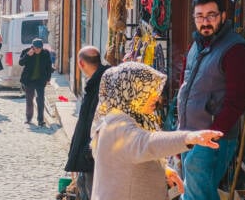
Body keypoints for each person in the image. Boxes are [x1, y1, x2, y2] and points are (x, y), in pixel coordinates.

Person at [91, 61, 222, 200]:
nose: (156, 96)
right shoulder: (118, 126)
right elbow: (146, 143)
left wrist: (162, 169)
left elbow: (128, 160)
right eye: (148, 89)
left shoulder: (120, 120)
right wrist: (188, 138)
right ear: (130, 91)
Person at [177, 0, 245, 200]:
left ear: (223, 16)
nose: (205, 22)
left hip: (212, 139)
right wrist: (179, 131)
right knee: (194, 193)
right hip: (188, 134)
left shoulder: (235, 50)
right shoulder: (196, 45)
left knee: (196, 196)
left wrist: (212, 135)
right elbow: (185, 87)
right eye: (200, 16)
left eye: (211, 15)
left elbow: (236, 103)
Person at [66, 46, 110, 200]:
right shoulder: (100, 81)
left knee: (91, 193)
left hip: (92, 155)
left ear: (81, 63)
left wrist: (86, 151)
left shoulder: (101, 84)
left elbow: (94, 123)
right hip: (90, 153)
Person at [19, 38, 53, 126]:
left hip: (40, 80)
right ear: (32, 47)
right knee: (29, 100)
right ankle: (28, 118)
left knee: (40, 100)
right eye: (36, 48)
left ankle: (40, 120)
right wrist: (27, 55)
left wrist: (48, 79)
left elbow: (49, 66)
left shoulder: (45, 53)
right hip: (28, 80)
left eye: (39, 48)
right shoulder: (26, 51)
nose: (38, 50)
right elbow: (21, 63)